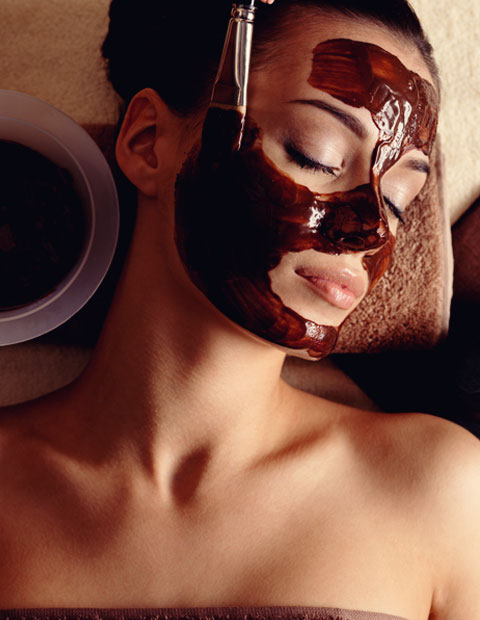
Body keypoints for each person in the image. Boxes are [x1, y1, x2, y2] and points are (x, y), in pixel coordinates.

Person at [0, 1, 478, 619]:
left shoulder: (437, 491)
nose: (371, 229)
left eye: (397, 200)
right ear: (148, 143)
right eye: (315, 154)